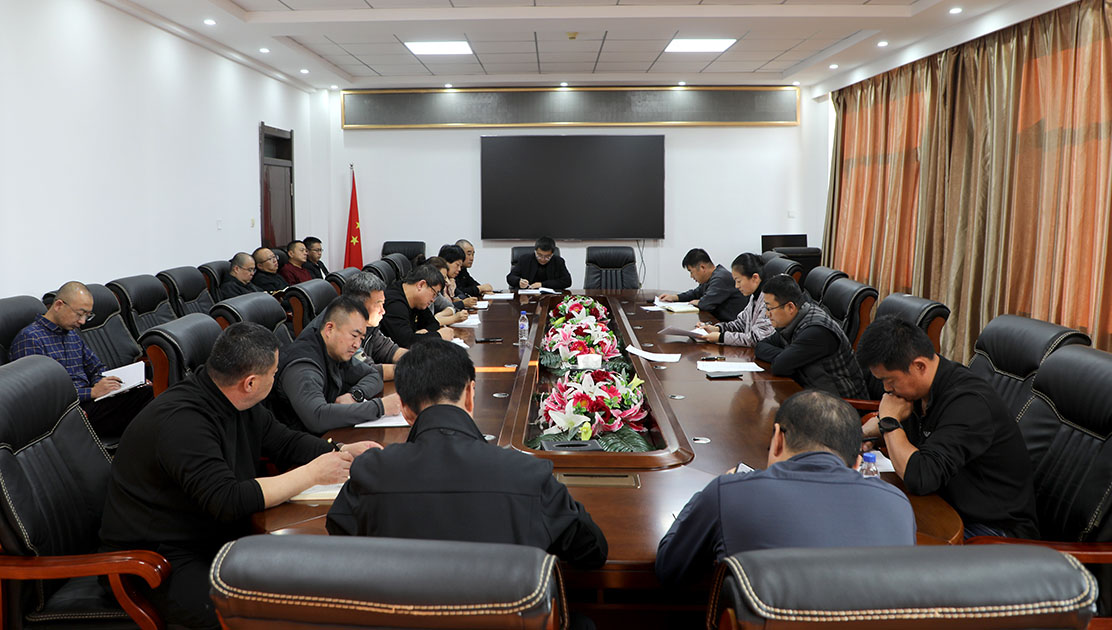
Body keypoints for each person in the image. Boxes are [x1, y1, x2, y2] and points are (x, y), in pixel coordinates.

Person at [99, 322, 379, 630]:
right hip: (155, 561)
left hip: (210, 536)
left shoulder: (232, 397)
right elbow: (227, 500)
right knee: (269, 615)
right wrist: (313, 474)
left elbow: (284, 441)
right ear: (250, 382)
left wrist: (340, 450)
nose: (276, 378)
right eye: (274, 373)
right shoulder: (183, 423)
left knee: (313, 578)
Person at [327, 338, 608, 570]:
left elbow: (340, 538)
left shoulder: (372, 472)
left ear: (404, 409)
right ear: (471, 395)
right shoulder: (527, 474)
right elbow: (592, 550)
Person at [655, 390, 916, 587]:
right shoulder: (897, 504)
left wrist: (717, 489)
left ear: (778, 438)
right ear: (857, 463)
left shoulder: (730, 492)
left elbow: (670, 569)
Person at [856, 316, 1039, 539]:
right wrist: (864, 435)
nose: (886, 390)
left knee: (876, 536)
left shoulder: (969, 403)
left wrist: (889, 423)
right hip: (945, 505)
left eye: (890, 381)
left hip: (992, 532)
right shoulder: (919, 390)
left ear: (919, 366)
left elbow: (920, 477)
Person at [10, 281, 152, 439]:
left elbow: (96, 368)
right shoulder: (30, 339)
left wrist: (112, 385)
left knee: (146, 391)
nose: (82, 322)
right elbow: (40, 396)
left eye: (87, 316)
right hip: (68, 414)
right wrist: (91, 392)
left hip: (93, 403)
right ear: (58, 305)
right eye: (80, 314)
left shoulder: (71, 334)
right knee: (149, 401)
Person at [273, 296, 401, 435]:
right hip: (301, 443)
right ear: (330, 329)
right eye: (354, 335)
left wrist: (355, 395)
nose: (357, 345)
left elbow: (373, 375)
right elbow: (318, 417)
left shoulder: (335, 351)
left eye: (361, 339)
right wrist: (380, 407)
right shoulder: (303, 366)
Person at [754, 274, 867, 399]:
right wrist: (787, 355)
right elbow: (761, 346)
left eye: (770, 308)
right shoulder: (793, 321)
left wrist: (787, 357)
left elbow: (779, 366)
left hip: (840, 404)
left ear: (790, 307)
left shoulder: (816, 331)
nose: (767, 314)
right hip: (815, 396)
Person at [298, 271, 407, 378]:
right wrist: (409, 369)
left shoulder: (363, 320)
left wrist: (414, 359)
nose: (383, 311)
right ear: (361, 305)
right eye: (379, 304)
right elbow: (365, 371)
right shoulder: (342, 327)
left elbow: (388, 350)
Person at [696, 252, 775, 346]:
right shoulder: (754, 296)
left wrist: (721, 337)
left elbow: (757, 338)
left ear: (755, 278)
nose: (736, 286)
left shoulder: (770, 300)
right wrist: (717, 329)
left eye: (739, 281)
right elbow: (741, 324)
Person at [657, 248, 748, 322]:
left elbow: (706, 304)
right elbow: (695, 293)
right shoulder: (712, 277)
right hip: (718, 323)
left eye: (691, 272)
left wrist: (699, 302)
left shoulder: (720, 278)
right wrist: (675, 297)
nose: (691, 276)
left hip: (730, 326)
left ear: (702, 267)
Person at [380, 264, 455, 348]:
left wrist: (425, 332)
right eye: (434, 294)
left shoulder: (418, 301)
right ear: (421, 285)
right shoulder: (394, 304)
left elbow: (433, 323)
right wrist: (439, 336)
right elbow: (406, 342)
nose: (433, 300)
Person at [506, 236, 572, 291]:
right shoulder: (525, 259)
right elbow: (510, 277)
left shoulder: (558, 261)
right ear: (535, 251)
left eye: (547, 257)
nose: (543, 259)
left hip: (551, 297)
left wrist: (542, 284)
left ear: (552, 254)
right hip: (527, 297)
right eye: (539, 255)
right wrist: (519, 281)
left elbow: (567, 281)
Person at [425, 256, 470, 326]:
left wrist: (440, 315)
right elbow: (427, 323)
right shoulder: (423, 295)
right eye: (443, 278)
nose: (447, 282)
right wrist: (454, 318)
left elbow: (450, 307)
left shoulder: (436, 293)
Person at [438, 243, 479, 309]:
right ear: (445, 262)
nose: (459, 269)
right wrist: (462, 303)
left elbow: (461, 294)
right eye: (457, 265)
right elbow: (440, 308)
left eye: (460, 266)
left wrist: (457, 299)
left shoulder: (450, 281)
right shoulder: (437, 280)